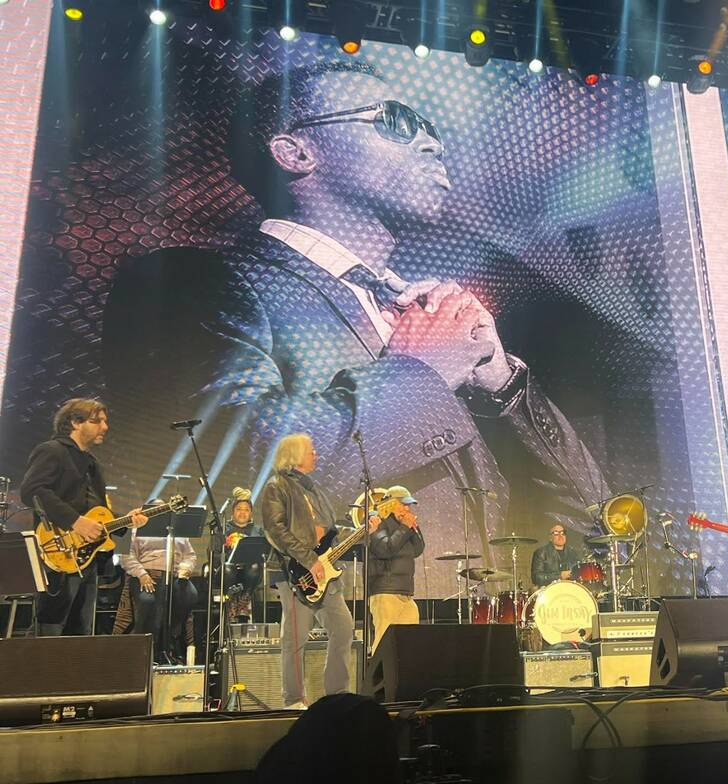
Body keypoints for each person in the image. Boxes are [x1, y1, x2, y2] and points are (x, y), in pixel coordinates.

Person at [102, 61, 609, 598]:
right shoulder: (194, 281)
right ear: (296, 152)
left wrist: (504, 383)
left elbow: (591, 520)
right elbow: (239, 478)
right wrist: (419, 370)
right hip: (326, 641)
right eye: (395, 121)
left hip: (468, 634)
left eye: (433, 130)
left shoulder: (424, 317)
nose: (433, 144)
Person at [261, 433, 374, 709]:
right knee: (296, 638)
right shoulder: (277, 487)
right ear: (296, 455)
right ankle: (293, 700)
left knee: (344, 628)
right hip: (295, 572)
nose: (316, 455)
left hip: (325, 573)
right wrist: (308, 559)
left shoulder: (314, 489)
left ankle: (337, 695)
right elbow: (276, 530)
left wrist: (362, 531)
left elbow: (330, 532)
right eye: (312, 451)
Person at [20, 398, 148, 636]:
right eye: (97, 421)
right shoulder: (52, 451)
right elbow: (32, 490)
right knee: (49, 628)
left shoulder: (92, 463)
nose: (105, 427)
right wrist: (75, 521)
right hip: (56, 553)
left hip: (86, 559)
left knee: (80, 632)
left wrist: (125, 520)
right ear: (74, 422)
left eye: (105, 421)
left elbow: (96, 511)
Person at [123, 505, 199, 662]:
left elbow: (190, 555)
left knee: (189, 595)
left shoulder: (177, 531)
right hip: (146, 574)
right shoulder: (134, 529)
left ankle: (171, 637)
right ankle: (145, 648)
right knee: (148, 601)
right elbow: (125, 556)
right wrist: (141, 574)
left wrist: (185, 568)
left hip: (174, 575)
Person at [366, 485, 425, 654]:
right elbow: (384, 549)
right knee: (384, 643)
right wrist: (405, 527)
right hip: (386, 592)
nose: (407, 509)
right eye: (403, 504)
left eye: (409, 505)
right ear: (391, 504)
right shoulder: (378, 522)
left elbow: (418, 550)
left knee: (410, 643)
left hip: (406, 593)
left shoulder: (404, 527)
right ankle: (377, 679)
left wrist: (413, 528)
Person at [224, 487, 264, 623]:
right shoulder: (223, 528)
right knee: (228, 569)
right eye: (239, 509)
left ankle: (243, 601)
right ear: (233, 511)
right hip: (228, 570)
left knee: (254, 566)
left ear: (251, 513)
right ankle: (232, 601)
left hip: (250, 572)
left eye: (246, 510)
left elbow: (263, 554)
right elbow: (214, 553)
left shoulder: (257, 531)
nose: (243, 512)